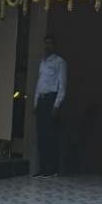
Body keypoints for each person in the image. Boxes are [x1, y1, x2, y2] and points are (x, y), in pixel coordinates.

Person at [33, 34, 67, 176]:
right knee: (41, 136)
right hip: (41, 100)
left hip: (51, 100)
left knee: (50, 136)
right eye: (46, 43)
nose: (47, 46)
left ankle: (52, 169)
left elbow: (62, 86)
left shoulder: (60, 62)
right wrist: (35, 102)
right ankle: (43, 169)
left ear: (54, 45)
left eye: (50, 43)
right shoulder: (42, 62)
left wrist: (56, 105)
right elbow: (39, 83)